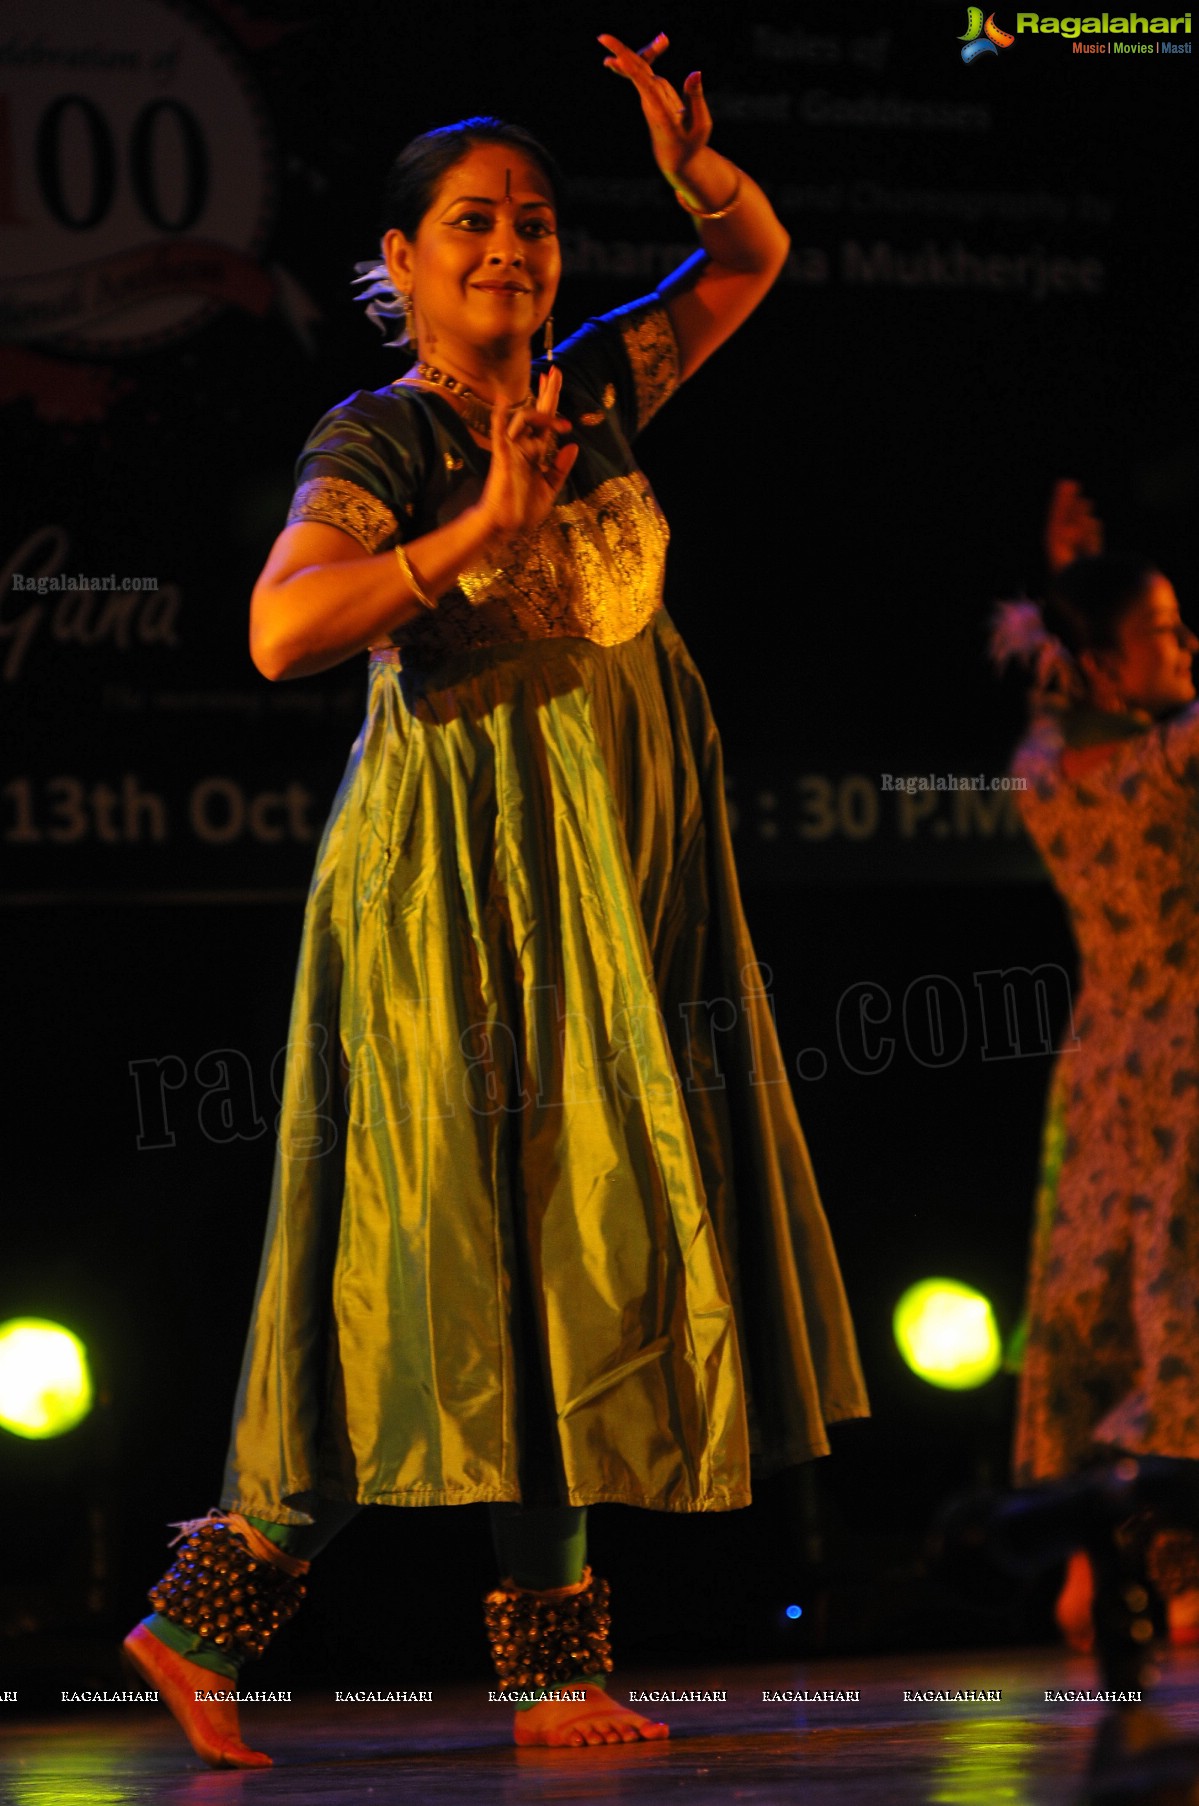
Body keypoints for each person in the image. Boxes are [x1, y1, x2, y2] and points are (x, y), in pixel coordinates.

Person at [122, 32, 868, 1767]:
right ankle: (214, 1606)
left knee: (579, 1240)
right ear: (394, 264)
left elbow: (748, 262)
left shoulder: (597, 384)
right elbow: (280, 627)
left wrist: (693, 170)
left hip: (612, 865)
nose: (508, 246)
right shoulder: (378, 433)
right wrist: (472, 531)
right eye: (466, 222)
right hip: (457, 891)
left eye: (531, 219)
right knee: (454, 1243)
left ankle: (545, 1671)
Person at [993, 480, 1199, 1653]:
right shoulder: (1173, 762)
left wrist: (1067, 577)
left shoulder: (1037, 771)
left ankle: (1091, 1566)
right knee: (1172, 1303)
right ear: (1111, 668)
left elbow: (1049, 702)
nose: (1185, 644)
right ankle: (1170, 1574)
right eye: (1164, 631)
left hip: (1103, 1060)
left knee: (1097, 1303)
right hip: (1180, 1060)